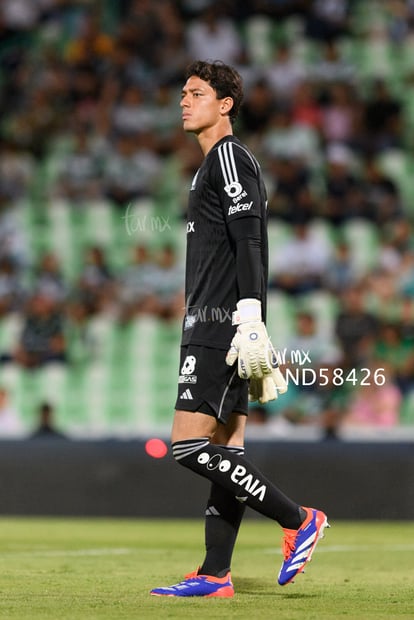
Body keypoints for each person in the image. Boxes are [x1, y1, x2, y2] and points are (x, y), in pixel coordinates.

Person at [150, 60, 329, 599]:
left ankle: (298, 519)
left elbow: (249, 239)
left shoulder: (229, 157)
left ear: (225, 104)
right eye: (182, 92)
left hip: (222, 327)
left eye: (196, 92)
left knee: (186, 446)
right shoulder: (207, 167)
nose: (184, 100)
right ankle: (214, 574)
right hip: (218, 322)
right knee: (227, 452)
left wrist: (248, 316)